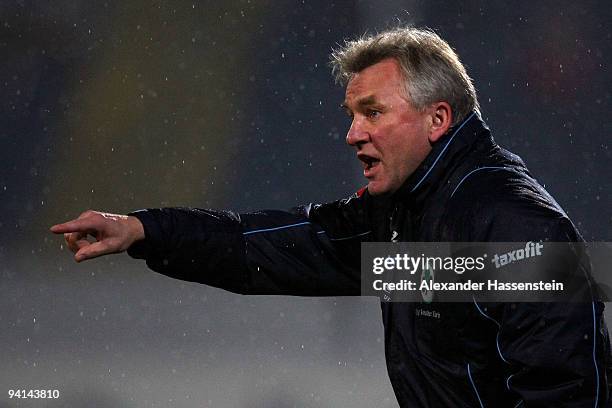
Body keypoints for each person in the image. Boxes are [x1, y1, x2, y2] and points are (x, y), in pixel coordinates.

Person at [51, 27, 609, 407]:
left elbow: (564, 389)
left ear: (437, 118)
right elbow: (264, 248)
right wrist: (145, 230)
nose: (352, 134)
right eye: (351, 115)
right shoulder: (403, 218)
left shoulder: (512, 225)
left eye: (373, 113)